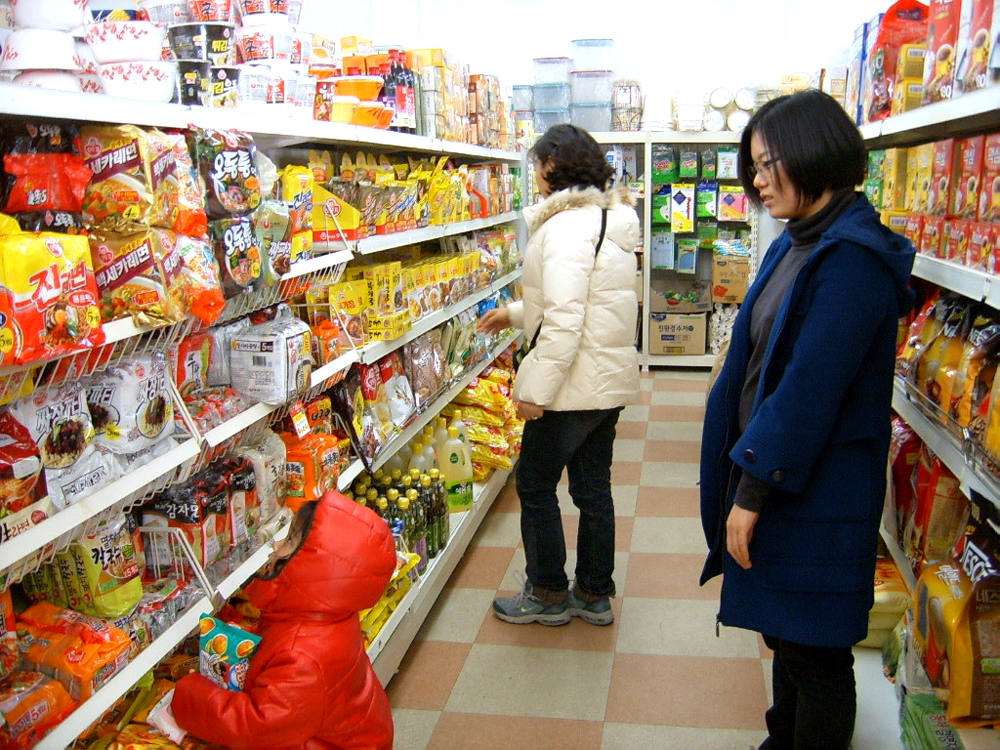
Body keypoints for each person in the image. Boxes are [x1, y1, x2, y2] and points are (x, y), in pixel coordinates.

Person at [698, 89, 915, 750]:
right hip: (788, 478)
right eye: (754, 166)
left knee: (816, 651)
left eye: (770, 164)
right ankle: (781, 739)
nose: (758, 180)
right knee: (788, 636)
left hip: (813, 489)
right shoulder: (796, 242)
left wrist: (751, 491)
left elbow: (809, 391)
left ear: (816, 154)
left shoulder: (851, 260)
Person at [480, 124, 640, 626]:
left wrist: (533, 390)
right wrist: (515, 313)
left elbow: (566, 321)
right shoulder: (608, 220)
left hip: (571, 387)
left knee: (534, 484)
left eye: (537, 167)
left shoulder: (566, 227)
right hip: (605, 381)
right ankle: (594, 594)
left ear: (555, 166)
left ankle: (548, 591)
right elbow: (577, 305)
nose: (535, 177)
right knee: (593, 489)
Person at [172, 491, 397, 750]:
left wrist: (186, 694)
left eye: (290, 541)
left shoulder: (302, 656)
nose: (276, 546)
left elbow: (257, 727)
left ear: (314, 565)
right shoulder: (326, 614)